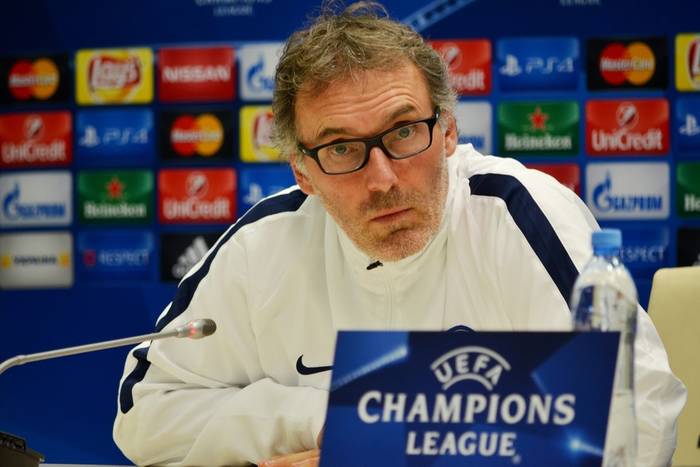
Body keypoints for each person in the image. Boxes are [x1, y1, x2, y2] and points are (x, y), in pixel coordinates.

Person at [113, 2, 687, 466]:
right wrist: (326, 421)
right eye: (341, 148)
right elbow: (145, 411)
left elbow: (638, 418)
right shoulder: (263, 244)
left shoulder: (518, 213)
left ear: (448, 131)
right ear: (303, 172)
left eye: (404, 131)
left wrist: (387, 443)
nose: (383, 179)